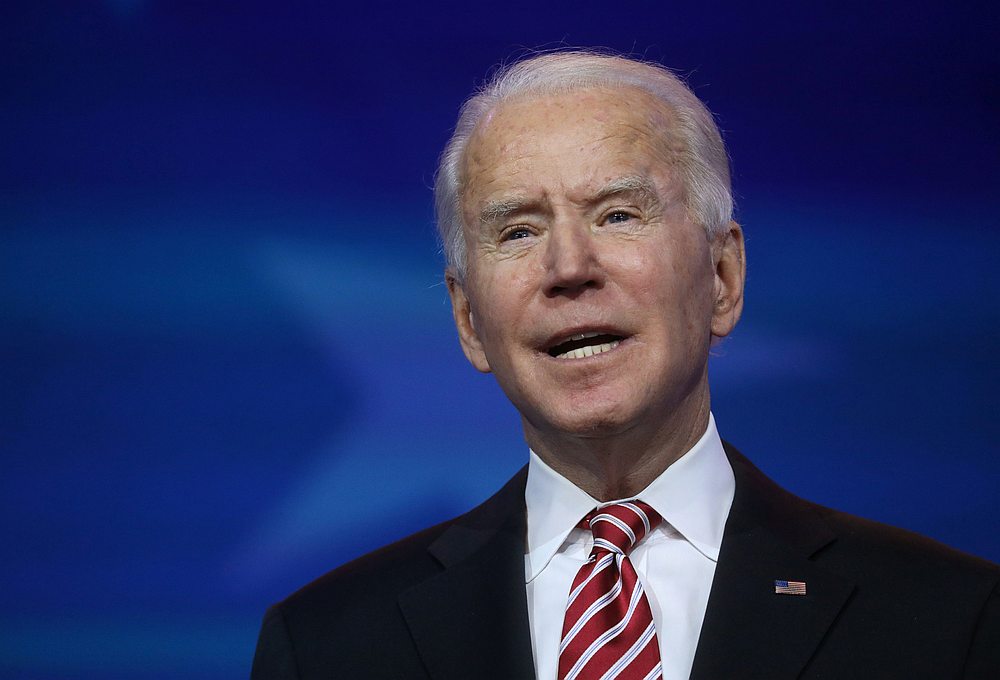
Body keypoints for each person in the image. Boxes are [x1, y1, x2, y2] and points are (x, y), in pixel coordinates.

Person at [250, 50, 999, 679]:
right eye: (517, 230)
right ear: (469, 320)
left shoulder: (950, 622)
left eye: (617, 214)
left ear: (722, 278)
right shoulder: (326, 646)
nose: (569, 266)